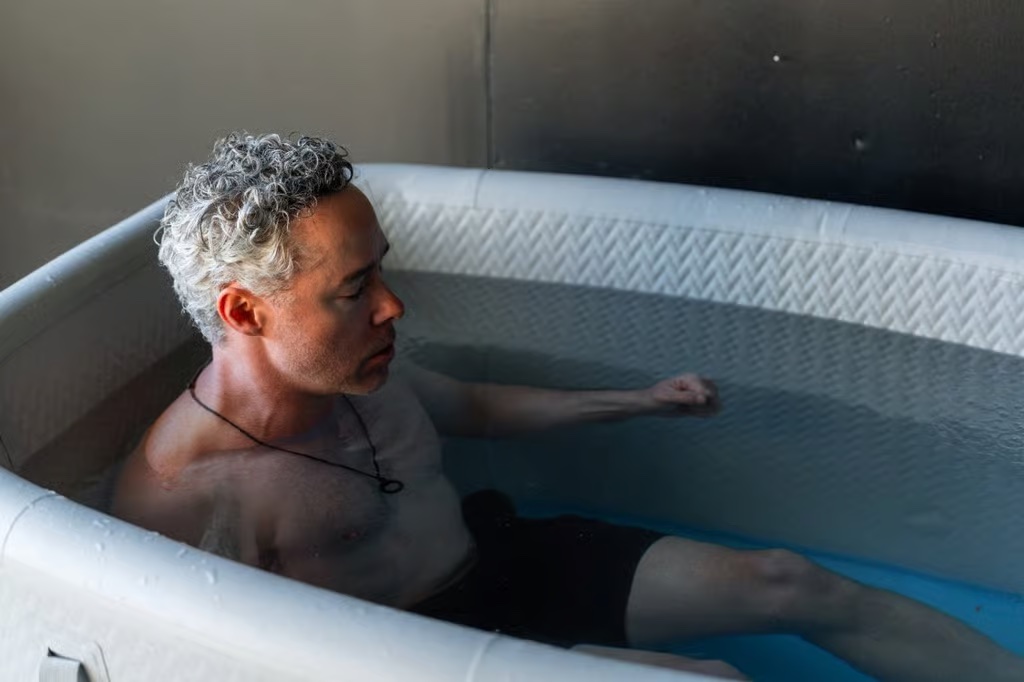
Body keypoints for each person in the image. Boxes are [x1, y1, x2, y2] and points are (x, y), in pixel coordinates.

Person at [113, 133, 1023, 682]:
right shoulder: (185, 495)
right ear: (246, 312)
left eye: (381, 270)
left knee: (792, 580)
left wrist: (637, 401)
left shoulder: (358, 367)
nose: (393, 305)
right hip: (419, 655)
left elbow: (474, 406)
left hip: (501, 559)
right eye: (355, 289)